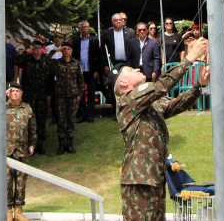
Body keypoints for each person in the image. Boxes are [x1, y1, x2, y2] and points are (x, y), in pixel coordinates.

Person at [110, 37, 211, 221]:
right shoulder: (128, 100)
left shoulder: (146, 103)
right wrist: (190, 58)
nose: (138, 69)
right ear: (124, 83)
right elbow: (161, 86)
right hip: (139, 180)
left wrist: (199, 86)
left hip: (153, 178)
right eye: (132, 70)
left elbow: (174, 105)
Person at [14, 41, 54, 152]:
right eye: (35, 48)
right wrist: (26, 51)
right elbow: (17, 61)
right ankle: (31, 144)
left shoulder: (46, 60)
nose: (37, 51)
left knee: (41, 120)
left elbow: (51, 78)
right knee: (30, 119)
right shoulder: (27, 59)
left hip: (42, 94)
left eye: (39, 48)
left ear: (42, 49)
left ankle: (40, 143)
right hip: (29, 94)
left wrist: (50, 93)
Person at [5, 83, 35, 221]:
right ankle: (7, 211)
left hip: (22, 150)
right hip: (6, 151)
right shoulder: (3, 107)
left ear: (22, 93)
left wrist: (33, 143)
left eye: (17, 91)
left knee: (21, 182)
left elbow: (32, 128)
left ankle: (18, 211)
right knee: (7, 181)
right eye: (12, 91)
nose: (15, 93)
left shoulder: (27, 108)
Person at [52, 40, 83, 154]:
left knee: (71, 120)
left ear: (71, 50)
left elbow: (80, 80)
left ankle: (69, 144)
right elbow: (45, 60)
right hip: (60, 96)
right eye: (64, 49)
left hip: (73, 96)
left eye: (68, 49)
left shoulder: (76, 63)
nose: (66, 51)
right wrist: (56, 50)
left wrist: (80, 95)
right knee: (61, 120)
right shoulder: (57, 63)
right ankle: (61, 145)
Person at [75, 21, 101, 123]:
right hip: (80, 71)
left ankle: (91, 114)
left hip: (91, 70)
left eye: (86, 27)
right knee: (81, 93)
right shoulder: (76, 41)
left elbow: (98, 56)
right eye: (83, 27)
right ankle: (83, 114)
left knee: (91, 92)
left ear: (89, 28)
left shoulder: (94, 40)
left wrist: (97, 70)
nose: (85, 28)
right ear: (80, 29)